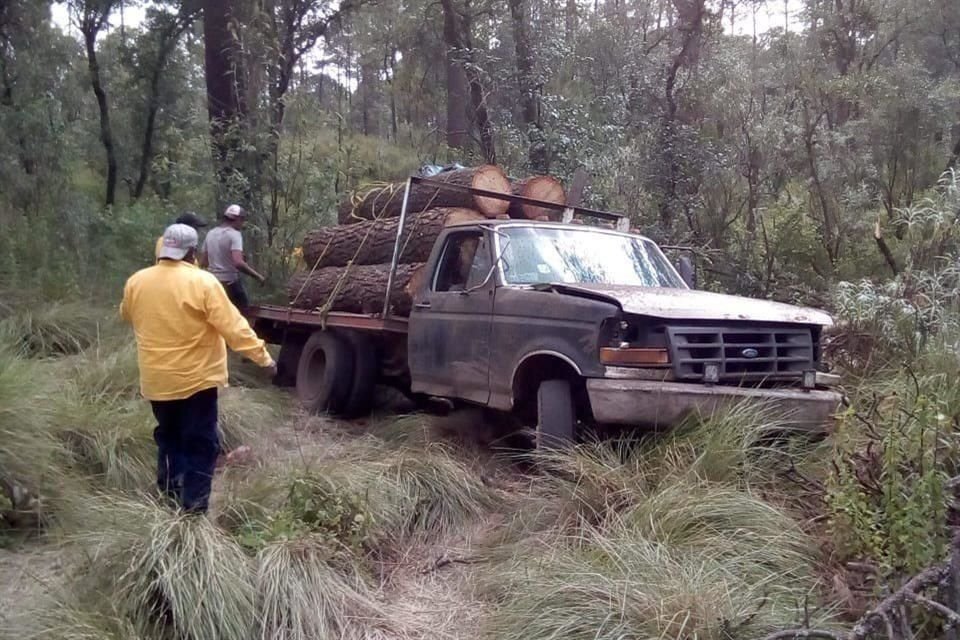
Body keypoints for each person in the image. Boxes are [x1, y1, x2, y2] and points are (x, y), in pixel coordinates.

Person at [121, 223, 277, 513]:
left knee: (169, 437)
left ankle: (169, 498)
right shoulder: (203, 283)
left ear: (164, 248)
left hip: (157, 381)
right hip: (197, 381)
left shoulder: (137, 281)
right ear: (193, 251)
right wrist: (264, 358)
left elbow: (127, 313)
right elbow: (234, 327)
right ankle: (193, 510)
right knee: (200, 443)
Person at [200, 204, 265, 313]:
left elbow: (204, 262)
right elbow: (238, 263)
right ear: (237, 219)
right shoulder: (234, 235)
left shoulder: (211, 233)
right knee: (242, 314)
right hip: (230, 283)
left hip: (212, 283)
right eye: (242, 220)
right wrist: (257, 276)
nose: (242, 223)